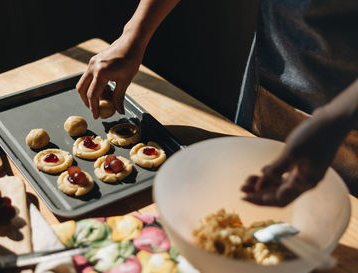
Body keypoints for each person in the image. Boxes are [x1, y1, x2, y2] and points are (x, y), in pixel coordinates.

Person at [76, 0, 358, 207]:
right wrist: (134, 34)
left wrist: (334, 122)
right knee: (242, 195)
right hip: (271, 78)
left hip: (350, 115)